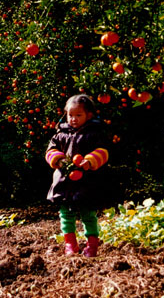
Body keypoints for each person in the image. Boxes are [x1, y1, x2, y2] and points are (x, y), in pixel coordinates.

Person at [45, 94, 109, 257]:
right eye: (70, 115)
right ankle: (70, 244)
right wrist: (58, 160)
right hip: (65, 181)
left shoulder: (95, 133)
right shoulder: (60, 134)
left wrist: (89, 161)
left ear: (89, 115)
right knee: (66, 214)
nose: (73, 119)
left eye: (78, 115)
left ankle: (92, 245)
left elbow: (103, 151)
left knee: (88, 213)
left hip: (88, 181)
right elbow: (50, 150)